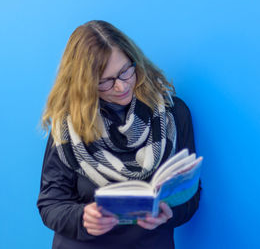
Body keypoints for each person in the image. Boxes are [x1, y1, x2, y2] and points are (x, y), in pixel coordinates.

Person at [37, 20, 201, 249]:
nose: (121, 87)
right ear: (85, 85)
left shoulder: (172, 114)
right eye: (105, 81)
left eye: (125, 71)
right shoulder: (70, 125)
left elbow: (191, 198)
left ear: (136, 61)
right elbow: (50, 203)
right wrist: (83, 217)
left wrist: (169, 214)